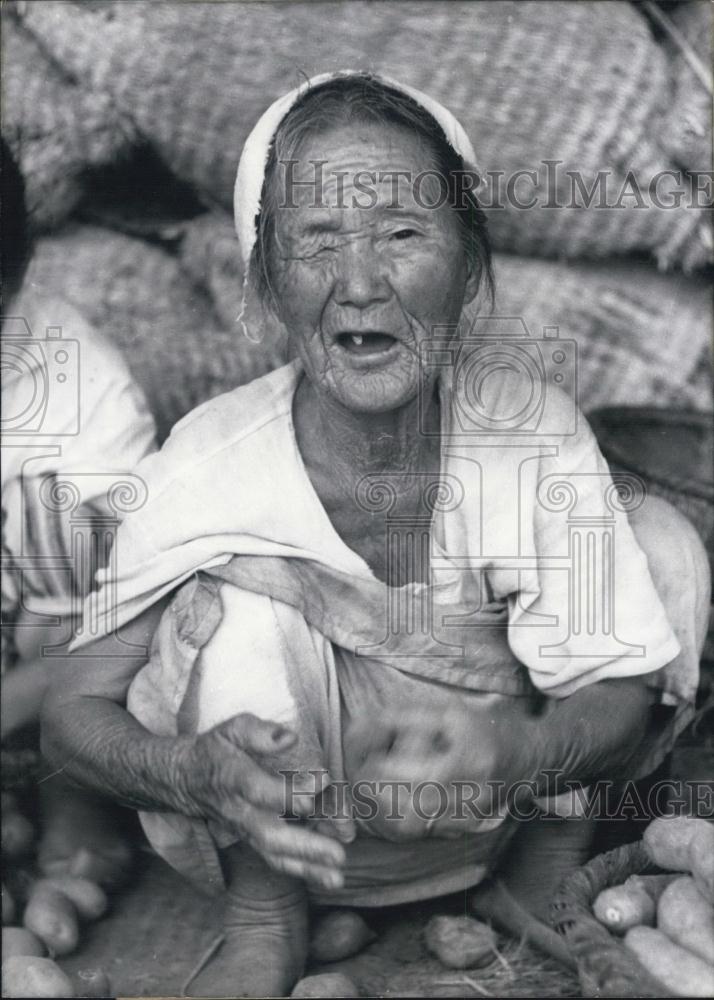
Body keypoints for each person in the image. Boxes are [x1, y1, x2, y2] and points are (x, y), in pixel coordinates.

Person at [41, 74, 709, 997]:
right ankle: (266, 920)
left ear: (470, 270)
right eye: (316, 241)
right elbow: (72, 716)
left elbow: (620, 685)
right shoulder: (207, 462)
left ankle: (535, 876)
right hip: (273, 833)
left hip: (493, 809)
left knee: (661, 544)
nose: (359, 284)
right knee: (234, 609)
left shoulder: (532, 429)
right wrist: (190, 770)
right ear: (267, 283)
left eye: (402, 233)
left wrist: (516, 753)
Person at [1, 138, 157, 896]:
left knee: (60, 518)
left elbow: (131, 625)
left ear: (18, 274)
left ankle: (71, 786)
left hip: (39, 677)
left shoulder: (82, 393)